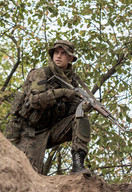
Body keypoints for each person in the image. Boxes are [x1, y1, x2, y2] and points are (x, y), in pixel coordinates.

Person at [5, 40, 93, 175]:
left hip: (52, 130)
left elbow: (69, 111)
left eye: (63, 54)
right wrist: (62, 93)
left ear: (70, 58)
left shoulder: (73, 81)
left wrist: (82, 106)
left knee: (80, 117)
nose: (58, 56)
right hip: (30, 133)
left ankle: (78, 165)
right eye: (56, 52)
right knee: (30, 176)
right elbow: (35, 100)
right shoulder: (41, 73)